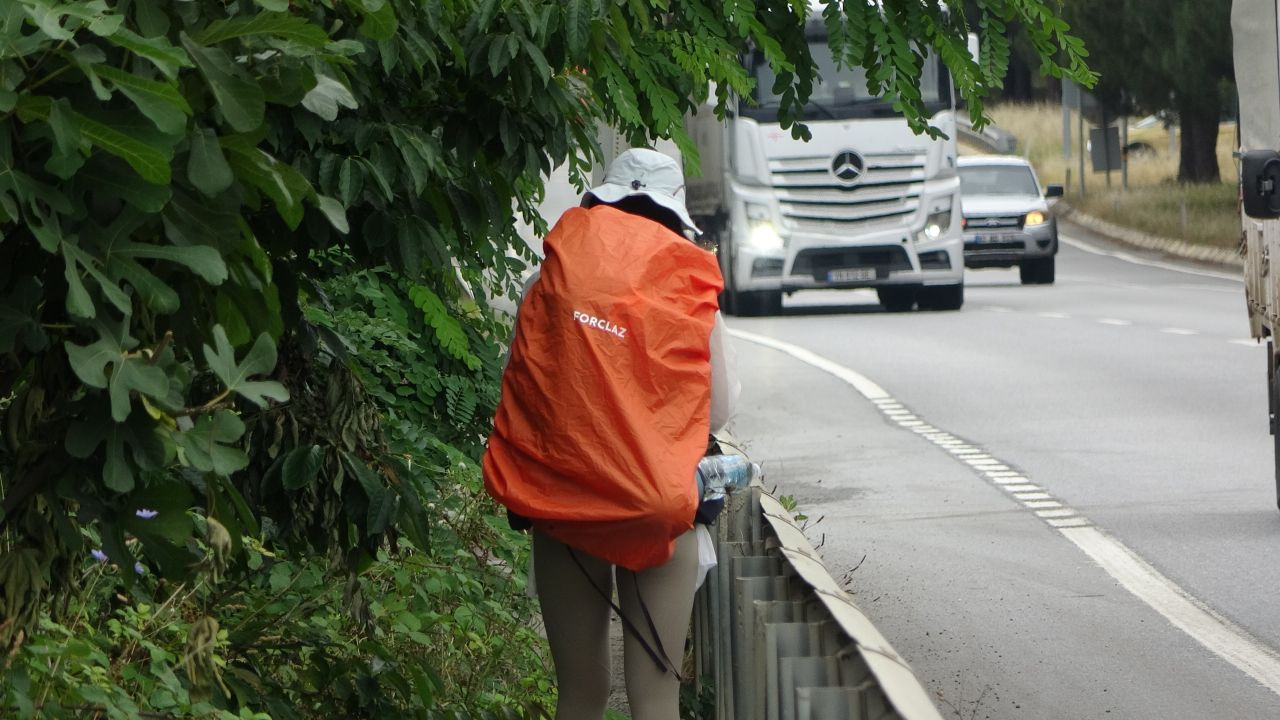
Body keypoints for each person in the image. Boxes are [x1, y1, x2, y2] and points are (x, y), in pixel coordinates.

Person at [483, 148, 739, 719]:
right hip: (656, 506)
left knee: (580, 695)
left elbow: (524, 387)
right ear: (674, 211)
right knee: (656, 701)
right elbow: (718, 410)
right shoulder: (689, 287)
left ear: (601, 199)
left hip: (564, 505)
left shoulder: (548, 277)